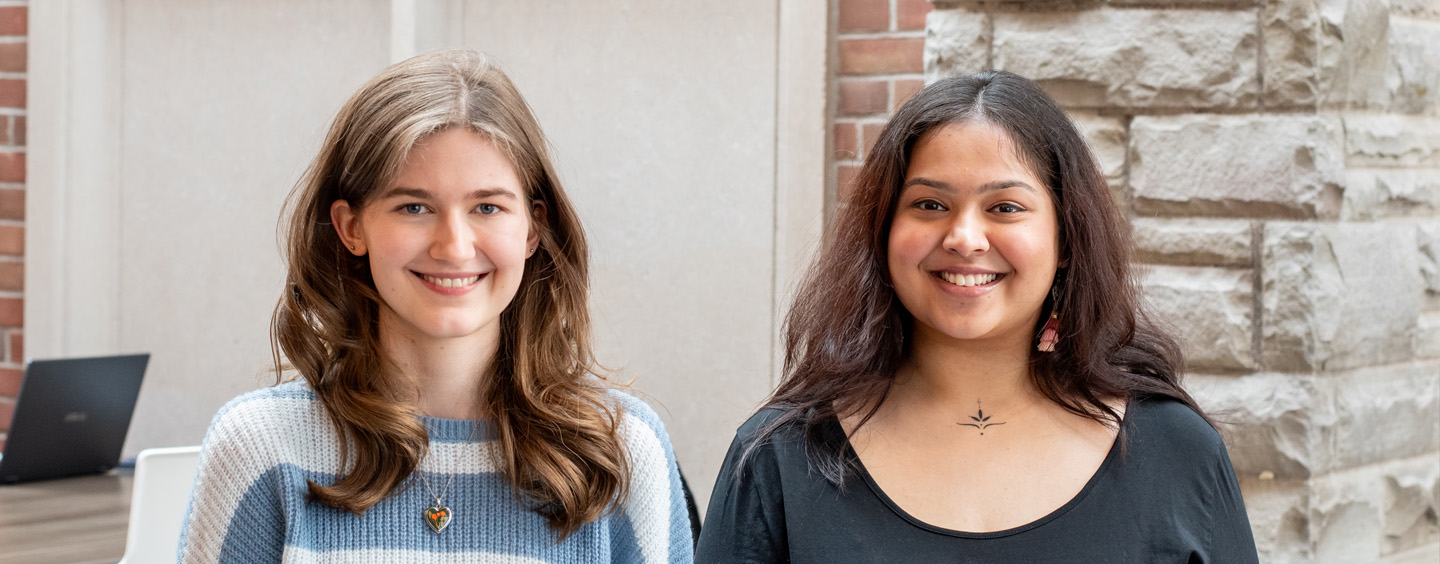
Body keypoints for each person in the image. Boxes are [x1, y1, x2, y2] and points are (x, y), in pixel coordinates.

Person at [695, 71, 1259, 563]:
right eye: (930, 205)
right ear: (882, 230)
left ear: (1066, 239)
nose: (964, 238)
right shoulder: (782, 458)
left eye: (1005, 208)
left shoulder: (1178, 454)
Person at [178, 50, 693, 563]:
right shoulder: (258, 447)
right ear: (351, 227)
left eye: (487, 207)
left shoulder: (623, 450)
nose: (454, 246)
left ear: (533, 228)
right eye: (414, 207)